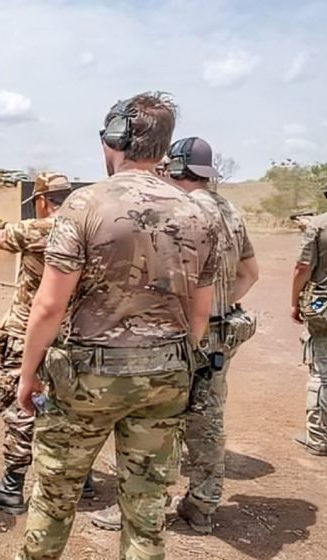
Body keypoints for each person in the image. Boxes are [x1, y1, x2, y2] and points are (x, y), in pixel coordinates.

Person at [14, 92, 218, 559]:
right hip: (166, 376)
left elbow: (48, 305)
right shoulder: (199, 213)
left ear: (116, 138)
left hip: (89, 379)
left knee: (54, 500)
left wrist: (28, 375)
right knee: (146, 513)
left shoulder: (84, 204)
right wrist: (173, 363)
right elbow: (200, 314)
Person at [88, 137, 259, 534]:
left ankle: (143, 505)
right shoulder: (231, 210)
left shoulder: (178, 212)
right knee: (210, 419)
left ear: (175, 168)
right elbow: (250, 274)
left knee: (157, 420)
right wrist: (219, 307)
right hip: (222, 332)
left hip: (180, 334)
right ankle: (202, 505)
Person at [0, 173, 94, 516]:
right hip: (71, 336)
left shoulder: (41, 228)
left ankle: (12, 486)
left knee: (18, 405)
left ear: (42, 201)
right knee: (69, 406)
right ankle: (81, 478)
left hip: (28, 331)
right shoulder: (88, 229)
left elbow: (1, 237)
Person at [292, 173, 327, 456]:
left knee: (323, 372)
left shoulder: (320, 225)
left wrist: (294, 302)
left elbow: (302, 268)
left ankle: (317, 438)